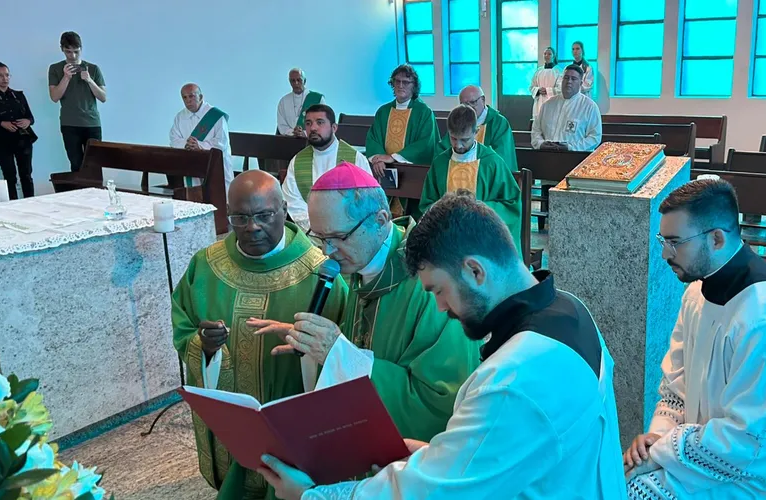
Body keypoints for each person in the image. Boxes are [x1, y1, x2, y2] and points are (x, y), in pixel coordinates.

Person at [256, 191, 626, 499]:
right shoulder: (571, 308)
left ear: (475, 271)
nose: (440, 307)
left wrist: (309, 495)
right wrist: (435, 455)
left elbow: (433, 495)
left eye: (439, 290)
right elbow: (513, 449)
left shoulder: (514, 377)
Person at [623, 177, 766, 499]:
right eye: (662, 240)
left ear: (716, 239)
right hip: (707, 452)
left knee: (638, 491)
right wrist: (658, 434)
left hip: (761, 476)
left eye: (675, 242)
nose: (665, 254)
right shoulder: (697, 293)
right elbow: (676, 387)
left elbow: (752, 439)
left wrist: (662, 451)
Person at [253, 163, 480, 443]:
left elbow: (439, 403)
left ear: (380, 220)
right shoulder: (364, 268)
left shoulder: (432, 286)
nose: (328, 252)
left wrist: (340, 355)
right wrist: (313, 343)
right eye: (321, 238)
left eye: (338, 237)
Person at [171, 170, 347, 499]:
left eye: (264, 215)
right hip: (234, 431)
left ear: (284, 210)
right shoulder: (206, 266)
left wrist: (311, 353)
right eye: (240, 217)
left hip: (292, 426)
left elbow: (344, 354)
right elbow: (184, 327)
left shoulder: (320, 272)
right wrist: (204, 348)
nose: (252, 227)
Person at [420, 105, 521, 251]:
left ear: (476, 132)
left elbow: (511, 204)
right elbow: (427, 203)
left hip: (483, 238)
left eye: (464, 140)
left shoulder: (492, 162)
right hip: (447, 238)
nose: (458, 145)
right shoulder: (440, 163)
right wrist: (444, 212)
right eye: (453, 139)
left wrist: (477, 208)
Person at [281, 104, 372, 230]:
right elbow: (292, 201)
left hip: (347, 232)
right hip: (311, 233)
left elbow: (367, 198)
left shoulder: (355, 159)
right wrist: (315, 228)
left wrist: (341, 228)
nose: (313, 128)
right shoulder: (297, 161)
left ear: (334, 127)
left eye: (320, 122)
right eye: (308, 123)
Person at [365, 64, 439, 178]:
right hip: (384, 169)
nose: (400, 85)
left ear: (414, 86)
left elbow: (425, 143)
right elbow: (374, 138)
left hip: (411, 171)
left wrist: (394, 157)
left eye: (405, 82)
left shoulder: (424, 112)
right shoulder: (383, 111)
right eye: (397, 81)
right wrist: (379, 159)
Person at [48, 31, 106, 173]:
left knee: (95, 165)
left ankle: (97, 194)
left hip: (92, 123)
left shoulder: (93, 68)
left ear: (81, 49)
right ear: (62, 49)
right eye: (68, 52)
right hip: (69, 123)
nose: (72, 56)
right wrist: (66, 77)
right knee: (76, 165)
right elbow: (54, 97)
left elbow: (103, 97)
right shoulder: (55, 68)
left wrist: (89, 80)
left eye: (76, 52)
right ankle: (79, 194)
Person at [0, 62, 36, 199]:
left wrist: (27, 121)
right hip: (1, 140)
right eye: (0, 75)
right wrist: (1, 123)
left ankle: (31, 201)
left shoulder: (18, 95)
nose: (5, 78)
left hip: (23, 138)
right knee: (9, 175)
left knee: (26, 174)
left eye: (7, 75)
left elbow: (30, 117)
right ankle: (12, 203)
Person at [434, 85, 518, 172]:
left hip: (486, 175)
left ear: (483, 100)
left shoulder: (498, 123)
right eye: (464, 104)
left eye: (473, 102)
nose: (469, 107)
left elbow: (502, 156)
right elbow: (442, 151)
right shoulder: (459, 121)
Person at [169, 83, 235, 193]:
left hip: (215, 164)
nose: (188, 100)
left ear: (201, 97)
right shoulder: (180, 117)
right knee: (195, 198)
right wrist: (187, 144)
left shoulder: (216, 116)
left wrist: (199, 145)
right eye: (184, 97)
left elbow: (221, 141)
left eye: (191, 96)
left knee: (219, 196)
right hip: (192, 164)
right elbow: (174, 139)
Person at [531, 65, 602, 152]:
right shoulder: (547, 105)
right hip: (547, 156)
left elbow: (594, 137)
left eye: (573, 79)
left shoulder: (589, 107)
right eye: (566, 78)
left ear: (580, 83)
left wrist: (570, 147)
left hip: (576, 159)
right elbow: (536, 130)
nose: (569, 81)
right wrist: (540, 144)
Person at [276, 68, 326, 137]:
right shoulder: (283, 102)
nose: (296, 83)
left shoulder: (318, 99)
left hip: (312, 141)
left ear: (304, 81)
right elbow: (282, 126)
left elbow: (322, 123)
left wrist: (304, 133)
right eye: (293, 81)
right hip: (289, 141)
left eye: (299, 80)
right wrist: (293, 132)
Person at [530, 46, 561, 119]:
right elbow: (532, 86)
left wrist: (547, 91)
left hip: (552, 103)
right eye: (545, 54)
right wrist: (538, 90)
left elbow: (560, 88)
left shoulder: (558, 71)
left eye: (549, 54)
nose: (547, 56)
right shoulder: (538, 71)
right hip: (539, 103)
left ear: (554, 56)